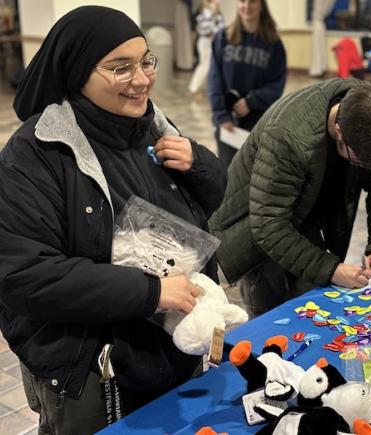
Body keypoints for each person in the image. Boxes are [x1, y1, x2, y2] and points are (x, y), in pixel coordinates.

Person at [0, 6, 226, 434]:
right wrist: (150, 292)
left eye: (146, 61)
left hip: (172, 344)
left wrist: (201, 165)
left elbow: (216, 200)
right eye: (120, 68)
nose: (141, 79)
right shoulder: (36, 153)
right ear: (77, 72)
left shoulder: (152, 124)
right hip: (93, 366)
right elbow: (24, 276)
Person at [209, 78, 371, 317]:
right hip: (258, 231)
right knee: (271, 315)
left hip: (305, 212)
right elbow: (268, 227)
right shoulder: (287, 137)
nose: (366, 168)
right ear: (339, 130)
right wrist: (332, 270)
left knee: (314, 306)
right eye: (359, 162)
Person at [208, 0, 286, 168]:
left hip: (257, 119)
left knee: (252, 171)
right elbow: (215, 80)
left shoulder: (273, 44)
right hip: (228, 121)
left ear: (261, 5)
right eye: (243, 1)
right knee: (228, 172)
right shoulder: (223, 38)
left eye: (252, 1)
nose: (247, 6)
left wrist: (251, 101)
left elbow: (276, 84)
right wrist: (221, 114)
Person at [187, 0, 225, 95]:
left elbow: (222, 27)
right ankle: (193, 88)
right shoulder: (205, 11)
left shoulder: (218, 12)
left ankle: (206, 88)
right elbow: (204, 28)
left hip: (214, 42)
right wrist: (215, 29)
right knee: (205, 65)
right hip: (205, 42)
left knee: (212, 66)